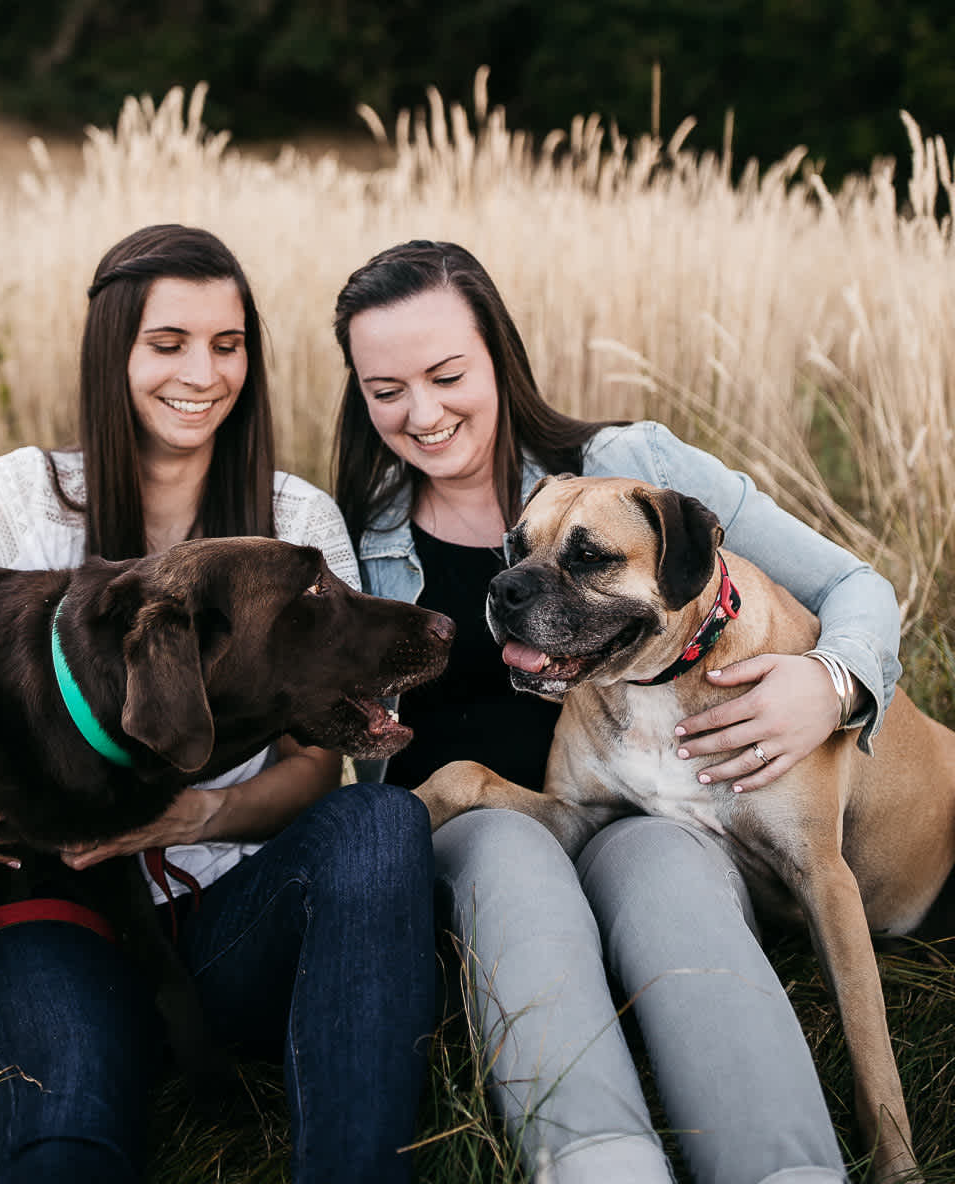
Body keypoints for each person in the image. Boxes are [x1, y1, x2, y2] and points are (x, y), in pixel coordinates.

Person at [0, 224, 436, 1184]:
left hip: (222, 914)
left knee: (379, 820)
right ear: (112, 352)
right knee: (70, 1110)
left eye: (229, 344)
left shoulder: (294, 525)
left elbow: (311, 766)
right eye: (168, 343)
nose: (203, 372)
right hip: (39, 908)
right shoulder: (14, 500)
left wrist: (193, 812)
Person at [333, 238, 902, 1184]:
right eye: (386, 389)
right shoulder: (356, 533)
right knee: (516, 872)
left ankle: (791, 1169)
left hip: (643, 808)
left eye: (447, 374)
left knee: (668, 879)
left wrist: (831, 681)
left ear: (499, 358)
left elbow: (853, 583)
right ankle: (599, 1164)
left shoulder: (626, 469)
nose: (423, 413)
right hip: (501, 816)